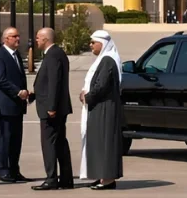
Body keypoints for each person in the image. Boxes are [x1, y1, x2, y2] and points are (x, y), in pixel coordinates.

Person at [80, 30, 123, 191]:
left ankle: (108, 179)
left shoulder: (107, 61)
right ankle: (101, 176)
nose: (91, 45)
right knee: (98, 142)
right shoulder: (103, 60)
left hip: (105, 108)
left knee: (105, 143)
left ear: (102, 43)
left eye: (93, 42)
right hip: (99, 107)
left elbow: (101, 86)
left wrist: (88, 97)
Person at [33, 28, 74, 191]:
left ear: (45, 39)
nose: (36, 41)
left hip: (52, 109)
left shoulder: (53, 55)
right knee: (59, 143)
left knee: (49, 143)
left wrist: (51, 106)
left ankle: (51, 179)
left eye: (38, 38)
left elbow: (54, 82)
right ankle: (65, 179)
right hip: (56, 106)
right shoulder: (57, 53)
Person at [0, 27, 29, 183]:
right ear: (6, 39)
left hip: (17, 105)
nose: (18, 39)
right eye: (14, 36)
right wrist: (17, 91)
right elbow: (0, 79)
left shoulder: (16, 55)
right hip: (6, 104)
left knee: (16, 139)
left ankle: (14, 169)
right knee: (5, 138)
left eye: (19, 36)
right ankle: (3, 170)